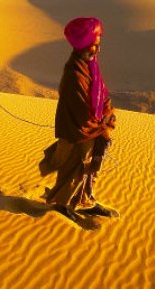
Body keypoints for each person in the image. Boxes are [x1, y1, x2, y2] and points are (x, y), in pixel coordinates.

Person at [39, 17, 118, 221]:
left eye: (98, 44)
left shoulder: (89, 65)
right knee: (74, 167)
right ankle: (63, 205)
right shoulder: (74, 73)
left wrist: (107, 112)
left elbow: (101, 91)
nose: (98, 49)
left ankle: (84, 200)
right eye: (94, 45)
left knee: (87, 167)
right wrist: (105, 122)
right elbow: (84, 112)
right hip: (77, 130)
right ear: (84, 45)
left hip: (90, 129)